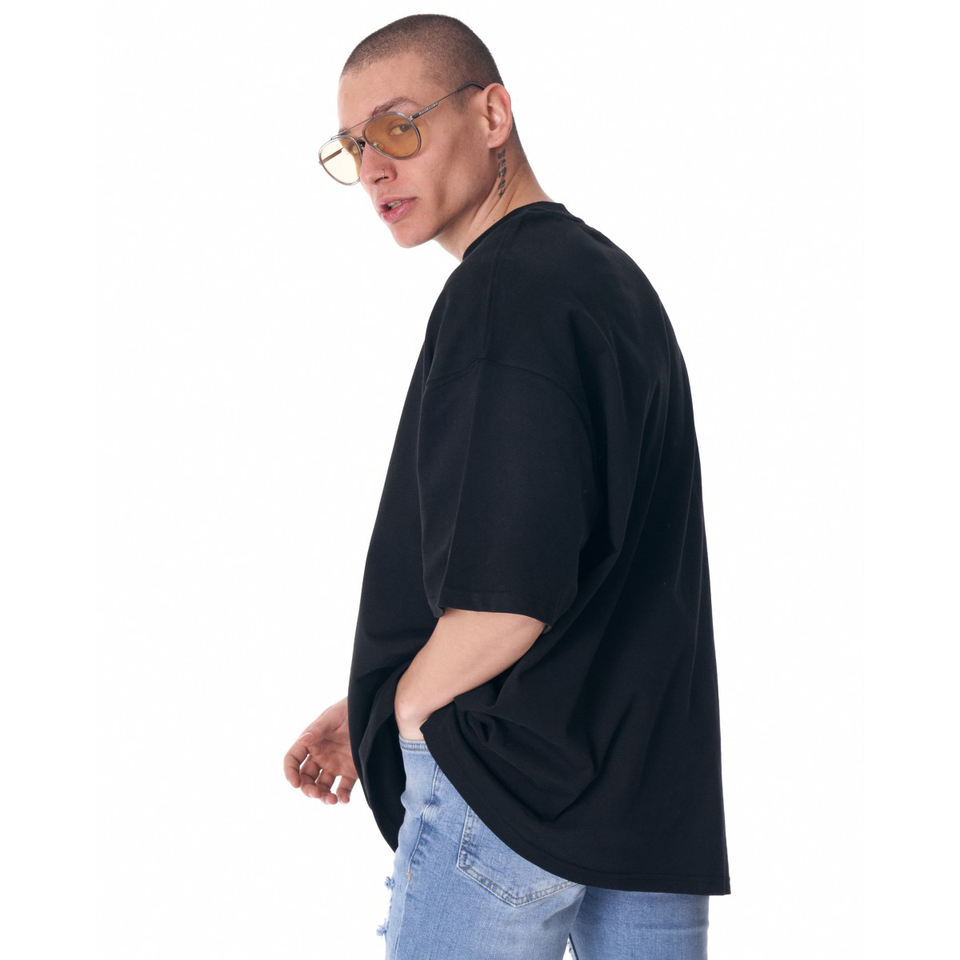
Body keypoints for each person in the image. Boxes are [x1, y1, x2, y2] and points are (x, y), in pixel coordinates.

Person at [283, 14, 730, 960]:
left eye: (398, 125)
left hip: (508, 794)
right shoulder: (610, 283)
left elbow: (506, 602)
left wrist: (408, 715)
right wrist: (368, 711)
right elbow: (597, 566)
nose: (375, 167)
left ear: (492, 114)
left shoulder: (501, 291)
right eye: (354, 146)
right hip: (647, 810)